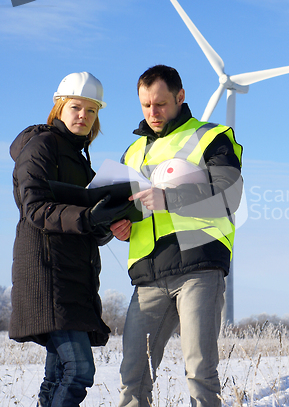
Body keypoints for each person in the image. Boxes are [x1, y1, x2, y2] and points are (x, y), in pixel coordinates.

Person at [110, 65, 243, 407]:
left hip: (199, 266)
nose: (152, 113)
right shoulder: (132, 152)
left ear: (180, 97)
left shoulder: (212, 136)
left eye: (160, 103)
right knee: (133, 378)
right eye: (145, 105)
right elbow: (127, 206)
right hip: (148, 276)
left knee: (200, 374)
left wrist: (169, 199)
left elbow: (229, 196)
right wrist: (118, 227)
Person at [9, 72, 131, 407]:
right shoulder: (41, 146)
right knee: (78, 371)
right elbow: (36, 209)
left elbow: (87, 222)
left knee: (58, 375)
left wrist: (109, 224)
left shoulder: (80, 159)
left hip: (75, 277)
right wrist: (91, 217)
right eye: (76, 107)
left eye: (92, 111)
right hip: (48, 273)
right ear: (59, 107)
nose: (84, 116)